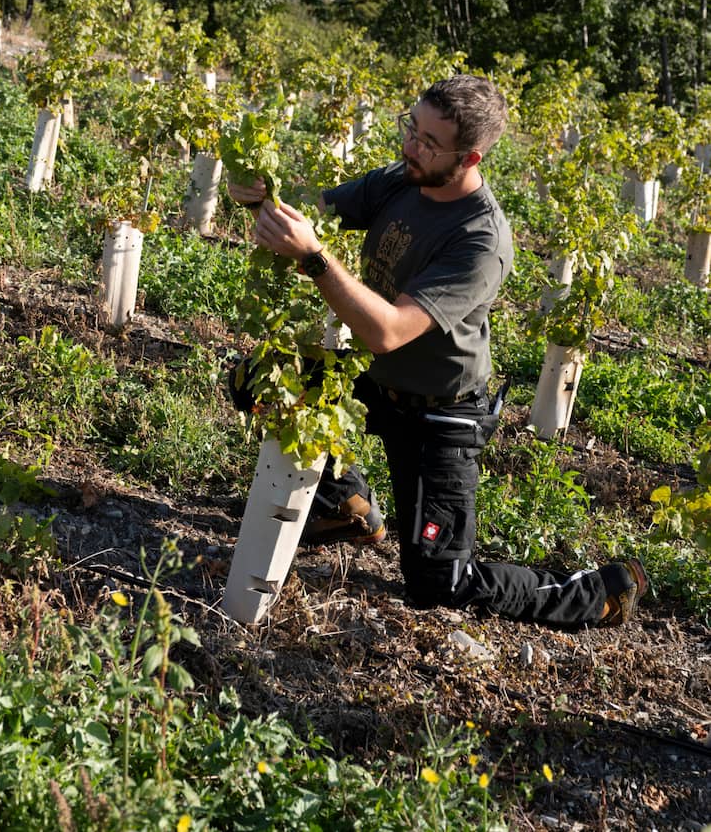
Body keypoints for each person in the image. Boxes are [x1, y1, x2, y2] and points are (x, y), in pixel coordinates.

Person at [227, 74, 647, 629]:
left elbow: (389, 330)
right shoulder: (403, 179)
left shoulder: (480, 239)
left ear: (470, 157)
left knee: (439, 585)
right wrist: (267, 195)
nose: (411, 148)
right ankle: (342, 506)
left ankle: (597, 593)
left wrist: (316, 258)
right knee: (258, 379)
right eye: (412, 129)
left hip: (440, 412)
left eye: (428, 142)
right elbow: (318, 210)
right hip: (374, 381)